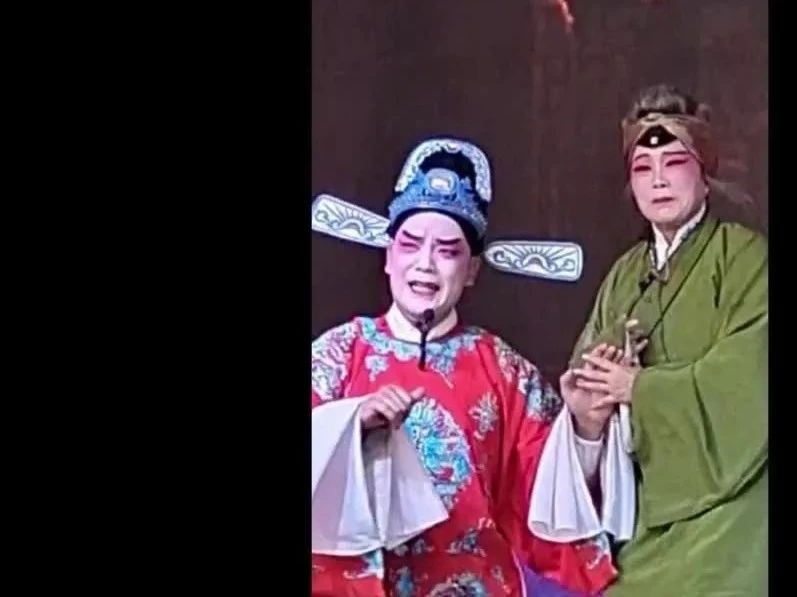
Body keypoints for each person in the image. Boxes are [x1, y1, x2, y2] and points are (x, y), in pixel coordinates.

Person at [310, 137, 618, 596]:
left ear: (472, 270)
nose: (425, 265)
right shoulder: (337, 355)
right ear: (388, 256)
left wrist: (586, 430)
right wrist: (351, 423)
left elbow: (550, 503)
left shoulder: (506, 372)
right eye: (410, 245)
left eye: (447, 251)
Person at [564, 84, 768, 596]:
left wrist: (640, 389)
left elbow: (749, 379)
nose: (658, 180)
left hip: (733, 522)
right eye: (642, 168)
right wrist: (586, 420)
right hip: (644, 518)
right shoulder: (624, 276)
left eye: (674, 163)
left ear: (704, 171)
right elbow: (589, 382)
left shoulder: (744, 259)